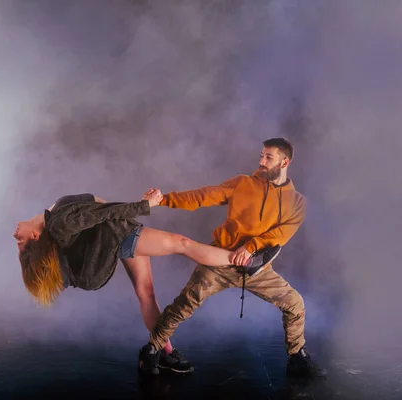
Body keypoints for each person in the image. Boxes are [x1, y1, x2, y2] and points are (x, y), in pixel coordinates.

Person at [14, 188, 279, 374]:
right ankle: (245, 261)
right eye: (20, 241)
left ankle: (163, 354)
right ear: (36, 238)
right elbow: (102, 215)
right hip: (119, 234)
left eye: (18, 241)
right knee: (182, 243)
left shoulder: (52, 218)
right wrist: (146, 205)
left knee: (146, 294)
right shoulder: (57, 222)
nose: (16, 236)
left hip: (115, 237)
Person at [138, 138, 327, 378]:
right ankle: (152, 350)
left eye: (268, 157)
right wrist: (164, 199)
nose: (261, 161)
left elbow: (281, 234)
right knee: (185, 304)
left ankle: (297, 356)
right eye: (261, 155)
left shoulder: (298, 202)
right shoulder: (243, 183)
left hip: (258, 269)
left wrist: (251, 247)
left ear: (285, 161)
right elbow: (203, 196)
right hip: (219, 261)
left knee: (295, 304)